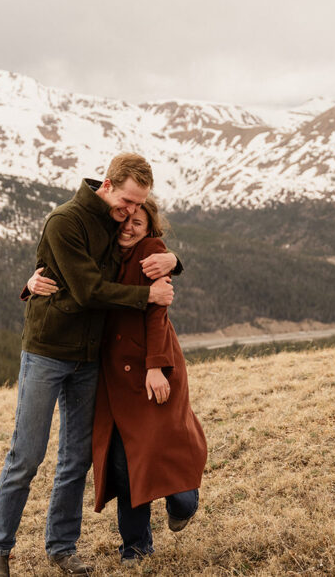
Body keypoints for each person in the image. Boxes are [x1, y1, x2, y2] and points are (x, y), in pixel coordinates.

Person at [0, 153, 181, 577]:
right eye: (128, 201)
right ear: (108, 184)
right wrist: (146, 296)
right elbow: (90, 289)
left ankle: (61, 547)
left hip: (89, 358)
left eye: (138, 205)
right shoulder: (65, 220)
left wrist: (173, 261)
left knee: (76, 459)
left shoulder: (116, 220)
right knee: (27, 456)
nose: (131, 212)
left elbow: (142, 246)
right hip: (48, 352)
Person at [91, 197, 207, 562]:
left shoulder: (152, 250)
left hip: (155, 367)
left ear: (149, 228)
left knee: (170, 443)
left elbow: (158, 313)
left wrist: (154, 367)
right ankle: (136, 545)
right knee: (126, 465)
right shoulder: (104, 248)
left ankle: (182, 505)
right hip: (116, 376)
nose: (128, 227)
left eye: (137, 224)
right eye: (125, 220)